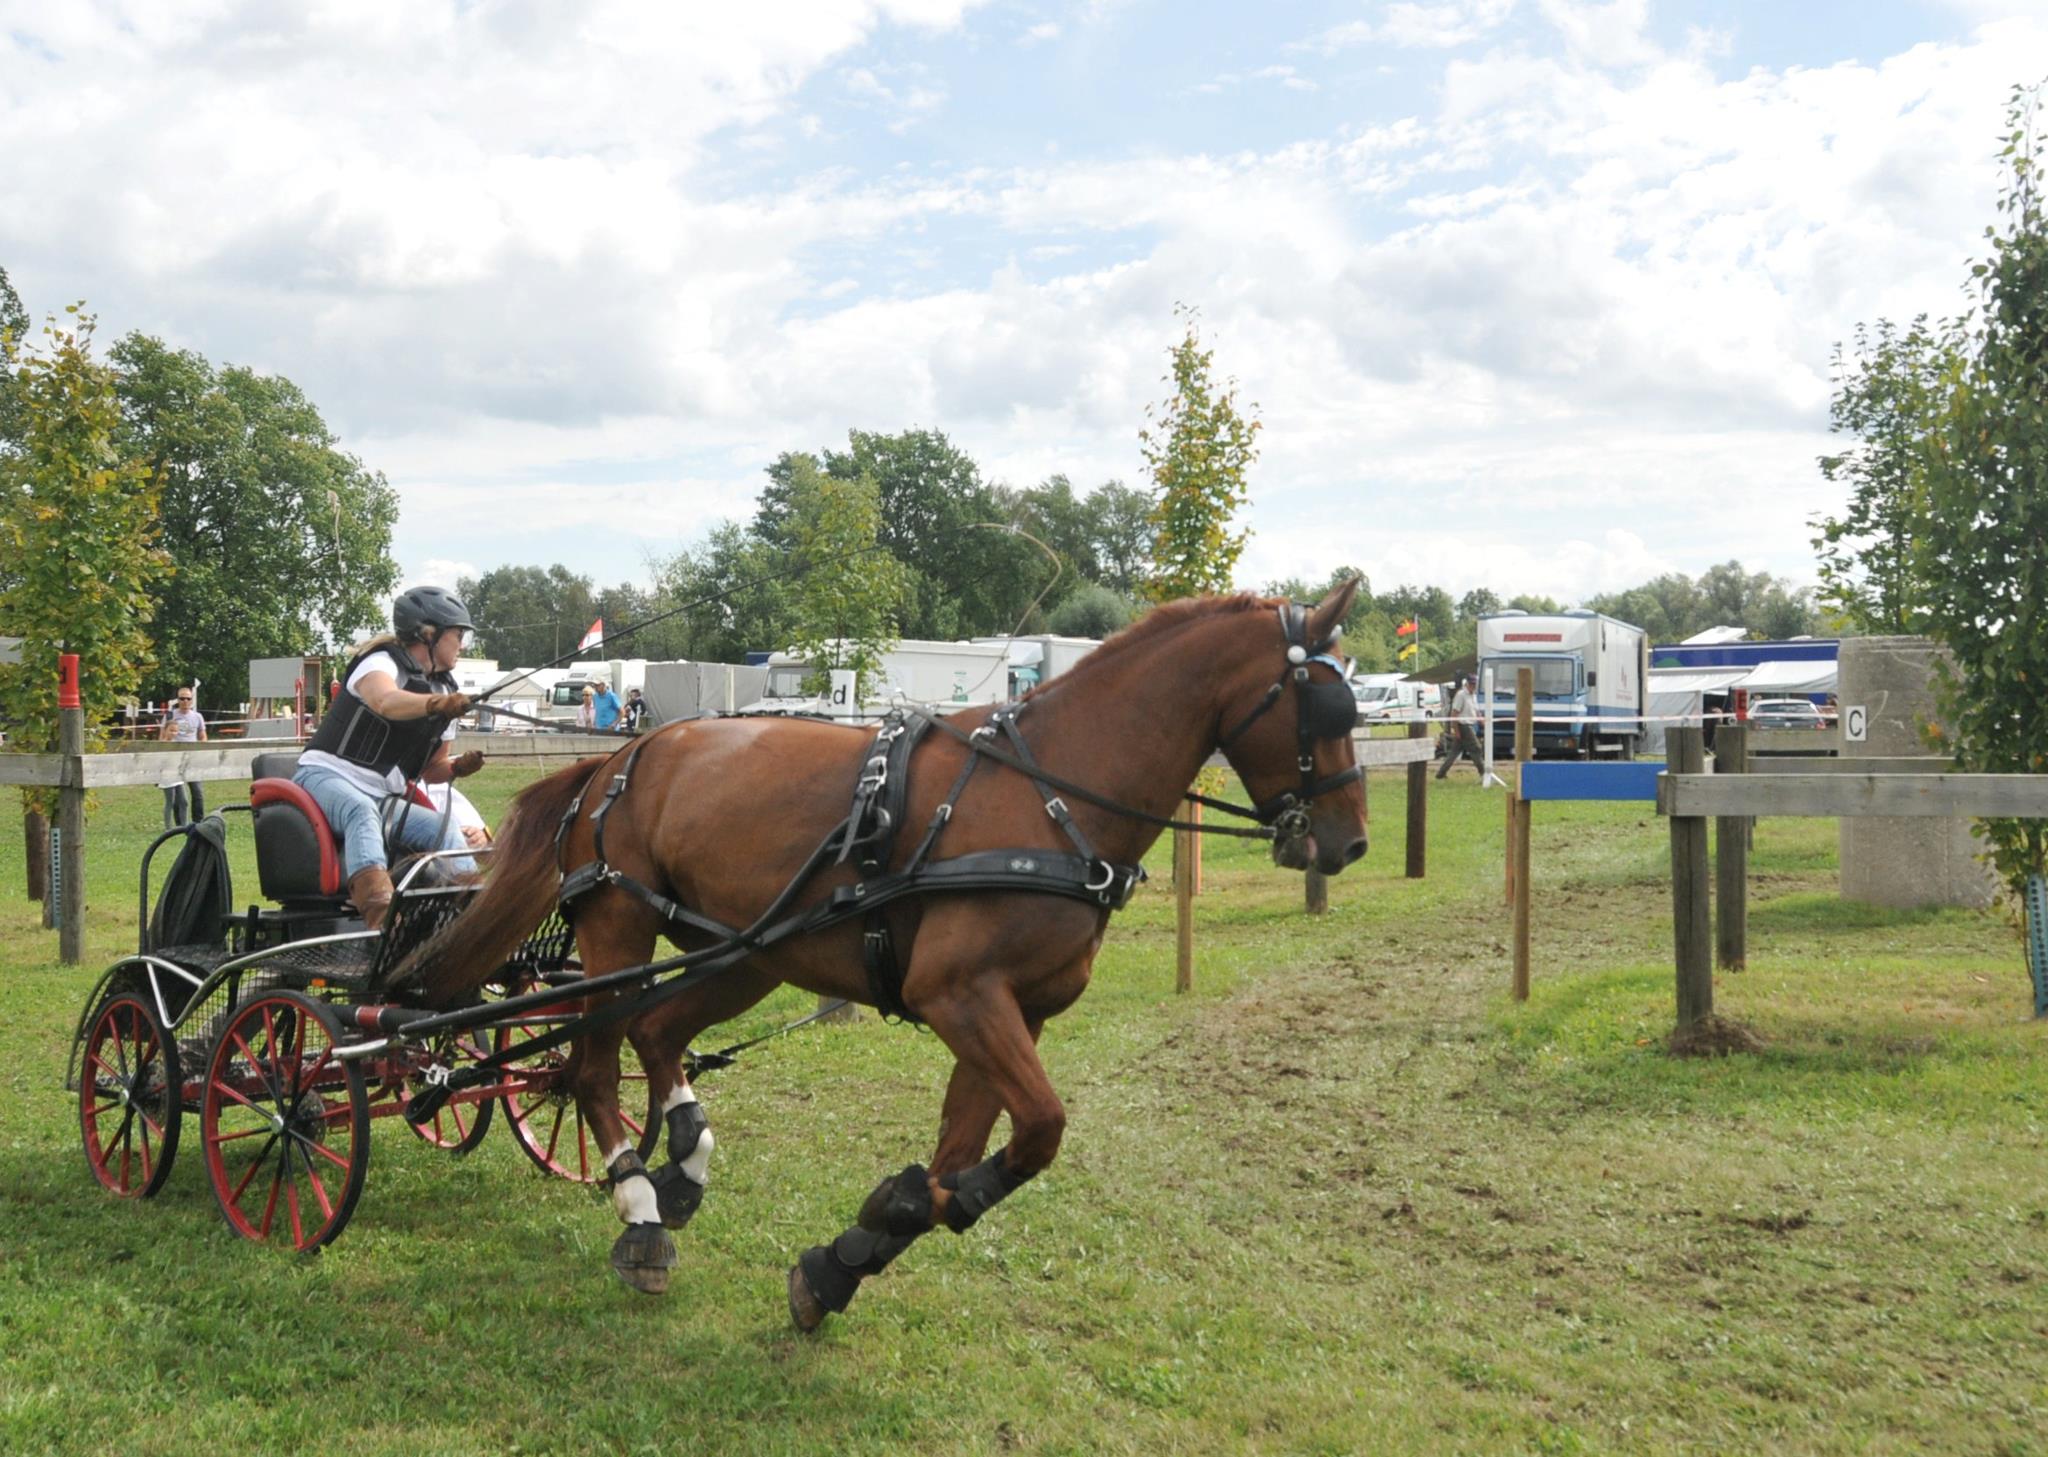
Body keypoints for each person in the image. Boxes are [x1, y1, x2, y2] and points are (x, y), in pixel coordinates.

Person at [292, 585, 485, 929]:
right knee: (360, 809)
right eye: (457, 635)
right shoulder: (381, 663)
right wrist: (437, 705)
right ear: (430, 634)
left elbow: (431, 769)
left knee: (444, 828)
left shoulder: (444, 689)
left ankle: (475, 916)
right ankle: (383, 921)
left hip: (381, 795)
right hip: (324, 776)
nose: (462, 644)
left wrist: (457, 767)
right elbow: (385, 701)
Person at [158, 687, 207, 828]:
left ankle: (198, 822)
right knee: (176, 797)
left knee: (197, 791)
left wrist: (202, 749)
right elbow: (161, 737)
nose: (185, 701)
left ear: (192, 700)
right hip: (174, 760)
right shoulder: (169, 716)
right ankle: (179, 824)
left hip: (192, 759)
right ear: (177, 700)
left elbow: (202, 735)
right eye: (182, 698)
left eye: (188, 698)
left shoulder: (198, 717)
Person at [1436, 674, 1486, 780]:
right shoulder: (1461, 695)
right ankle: (1483, 773)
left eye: (1475, 684)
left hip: (1470, 725)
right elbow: (1454, 714)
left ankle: (1440, 774)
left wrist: (1482, 721)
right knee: (1476, 748)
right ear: (1467, 683)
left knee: (1454, 752)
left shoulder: (1473, 695)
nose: (1473, 686)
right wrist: (1456, 730)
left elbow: (1476, 711)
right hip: (1464, 726)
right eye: (1472, 684)